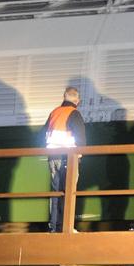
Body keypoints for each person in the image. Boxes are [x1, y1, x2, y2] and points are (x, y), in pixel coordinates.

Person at [43, 86, 87, 233]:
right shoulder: (74, 113)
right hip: (68, 158)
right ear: (77, 101)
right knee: (68, 191)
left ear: (64, 97)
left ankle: (54, 227)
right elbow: (80, 139)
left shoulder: (54, 112)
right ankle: (66, 227)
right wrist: (80, 154)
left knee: (56, 192)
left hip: (52, 156)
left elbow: (43, 134)